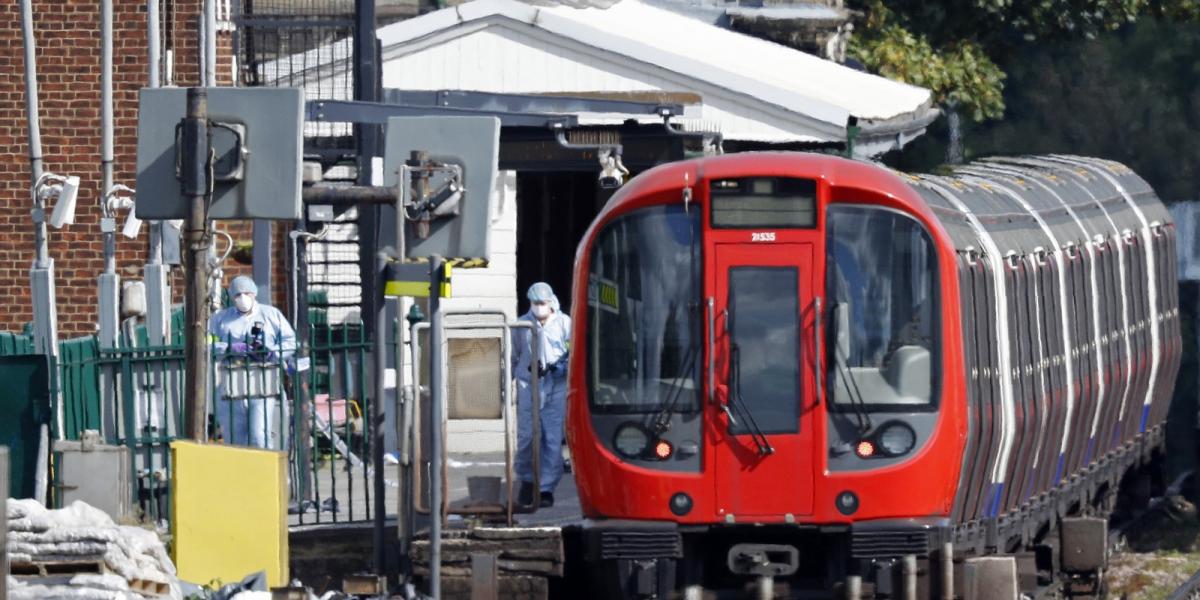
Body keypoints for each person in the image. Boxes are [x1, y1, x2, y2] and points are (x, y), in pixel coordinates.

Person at [209, 275, 296, 448]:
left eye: (247, 293)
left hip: (264, 379)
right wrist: (228, 348)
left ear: (254, 293)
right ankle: (239, 474)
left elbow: (290, 342)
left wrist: (273, 353)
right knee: (235, 437)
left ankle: (265, 472)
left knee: (260, 435)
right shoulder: (220, 319)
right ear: (232, 297)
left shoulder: (271, 314)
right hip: (232, 381)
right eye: (237, 295)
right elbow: (205, 343)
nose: (242, 298)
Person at [512, 282, 572, 508]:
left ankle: (546, 488)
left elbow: (572, 351)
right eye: (535, 303)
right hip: (529, 385)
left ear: (551, 303)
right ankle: (526, 481)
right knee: (527, 436)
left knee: (552, 438)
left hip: (555, 386)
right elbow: (512, 356)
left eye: (542, 303)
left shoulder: (565, 324)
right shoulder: (520, 325)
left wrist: (561, 368)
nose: (538, 307)